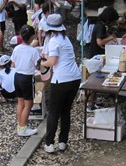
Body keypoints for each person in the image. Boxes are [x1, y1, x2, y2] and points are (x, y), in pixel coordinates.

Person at [40, 14, 82, 153]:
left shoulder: (53, 41)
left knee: (53, 112)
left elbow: (52, 62)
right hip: (75, 77)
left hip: (61, 79)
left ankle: (50, 143)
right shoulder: (66, 39)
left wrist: (41, 63)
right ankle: (63, 141)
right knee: (65, 111)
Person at [11, 25, 40, 137]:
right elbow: (38, 65)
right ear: (32, 37)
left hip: (17, 76)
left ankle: (21, 124)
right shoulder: (33, 51)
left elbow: (13, 63)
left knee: (20, 102)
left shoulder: (16, 48)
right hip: (27, 78)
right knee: (29, 103)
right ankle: (23, 128)